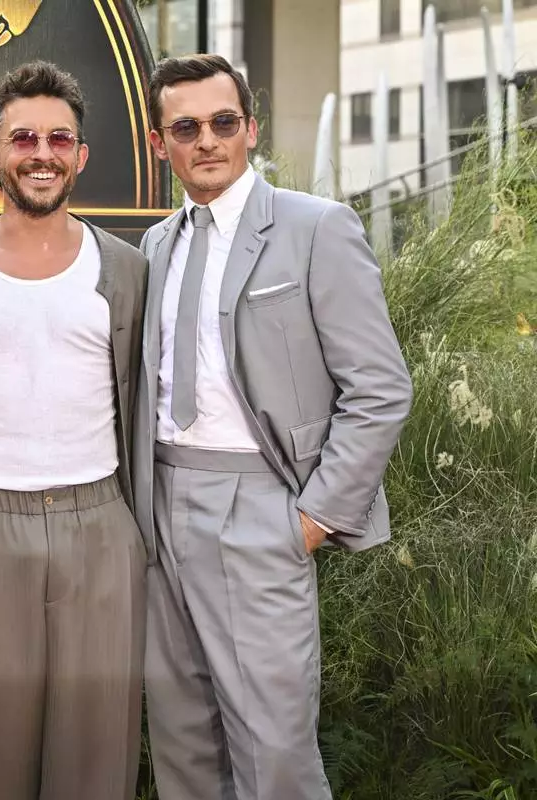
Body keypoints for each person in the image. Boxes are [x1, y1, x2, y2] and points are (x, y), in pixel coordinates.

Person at [135, 54, 413, 800]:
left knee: (274, 754)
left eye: (223, 122)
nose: (207, 140)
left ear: (250, 129)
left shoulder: (315, 227)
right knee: (184, 745)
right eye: (185, 127)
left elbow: (380, 388)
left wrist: (314, 518)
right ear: (159, 143)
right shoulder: (157, 245)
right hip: (160, 508)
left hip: (261, 507)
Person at [0, 61, 149, 800]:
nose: (41, 154)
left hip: (100, 522)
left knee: (98, 752)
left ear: (81, 155)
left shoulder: (129, 271)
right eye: (23, 139)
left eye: (58, 139)